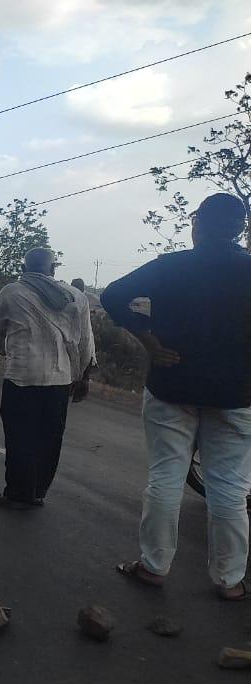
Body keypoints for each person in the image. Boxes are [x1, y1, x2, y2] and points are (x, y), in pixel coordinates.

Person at [101, 193, 251, 601]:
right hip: (237, 394)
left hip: (172, 385)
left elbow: (112, 294)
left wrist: (147, 339)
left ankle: (153, 567)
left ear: (198, 223)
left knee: (166, 476)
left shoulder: (173, 265)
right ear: (240, 228)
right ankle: (230, 580)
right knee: (230, 486)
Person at [0, 247, 95, 510]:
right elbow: (87, 342)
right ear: (54, 269)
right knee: (50, 438)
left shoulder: (13, 291)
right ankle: (38, 492)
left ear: (24, 269)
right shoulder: (76, 296)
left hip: (23, 376)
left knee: (20, 437)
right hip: (61, 379)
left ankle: (18, 494)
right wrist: (84, 378)